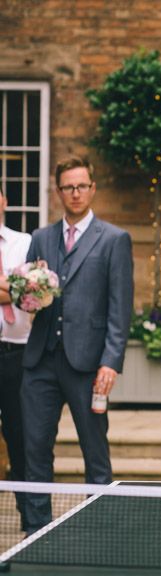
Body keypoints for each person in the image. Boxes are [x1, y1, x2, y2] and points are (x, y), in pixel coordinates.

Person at [21, 156, 134, 533]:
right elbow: (27, 297)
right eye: (68, 187)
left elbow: (121, 307)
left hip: (88, 365)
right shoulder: (41, 238)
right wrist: (30, 294)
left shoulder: (115, 239)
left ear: (92, 188)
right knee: (35, 449)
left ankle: (98, 525)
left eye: (81, 185)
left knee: (95, 451)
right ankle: (37, 530)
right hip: (39, 361)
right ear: (58, 192)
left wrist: (111, 362)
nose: (75, 193)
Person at [0, 186, 32, 530]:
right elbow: (17, 288)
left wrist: (16, 289)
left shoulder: (24, 242)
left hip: (16, 350)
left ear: (4, 201)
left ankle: (29, 515)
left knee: (19, 434)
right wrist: (11, 286)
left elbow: (30, 293)